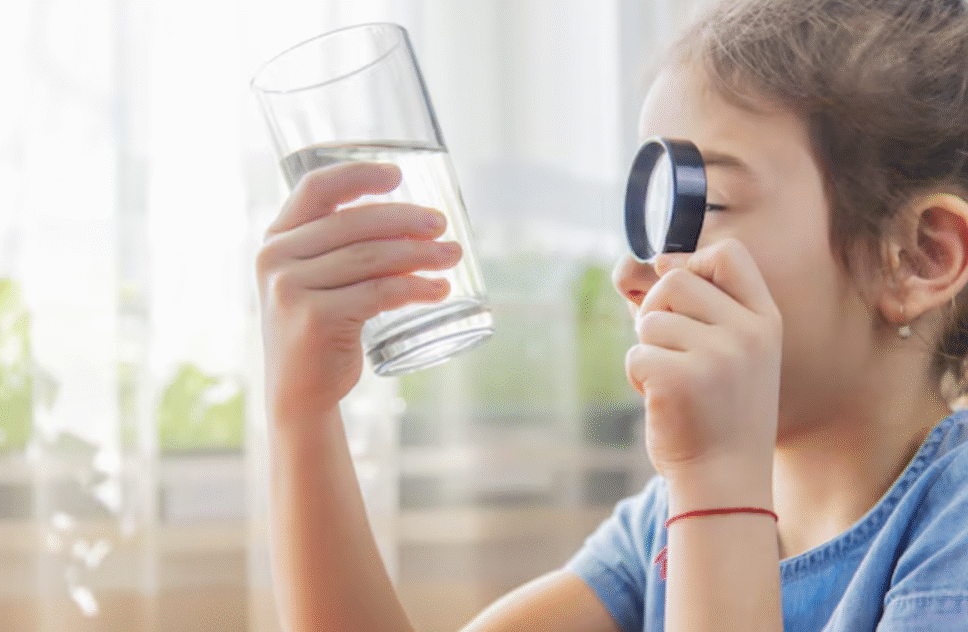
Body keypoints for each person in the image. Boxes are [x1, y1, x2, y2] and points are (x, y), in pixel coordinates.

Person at [253, 0, 968, 629]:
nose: (631, 275)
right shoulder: (659, 527)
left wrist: (717, 482)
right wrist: (303, 410)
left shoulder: (951, 525)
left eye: (703, 205)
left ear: (919, 257)